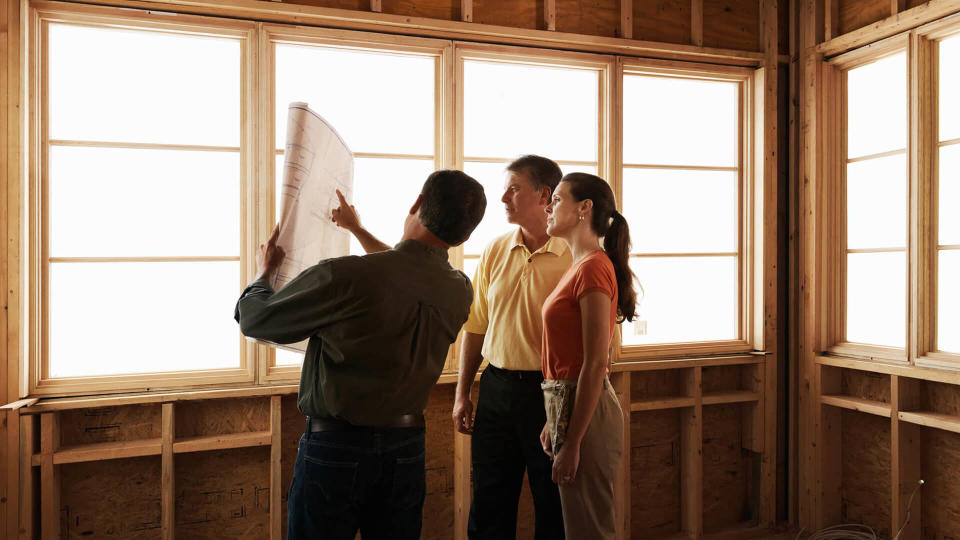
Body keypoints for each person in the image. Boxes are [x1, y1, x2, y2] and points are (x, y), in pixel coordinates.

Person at [234, 169, 486, 540]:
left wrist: (264, 273)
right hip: (408, 448)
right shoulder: (460, 290)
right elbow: (408, 271)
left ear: (416, 204)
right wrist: (357, 229)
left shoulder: (347, 275)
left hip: (336, 447)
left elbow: (255, 320)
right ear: (466, 235)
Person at [454, 155, 571, 540]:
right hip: (497, 389)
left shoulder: (575, 255)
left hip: (550, 393)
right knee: (489, 502)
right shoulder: (494, 250)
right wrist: (462, 395)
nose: (502, 196)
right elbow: (475, 328)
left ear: (544, 195)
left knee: (552, 503)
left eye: (514, 188)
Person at [539, 172, 638, 540]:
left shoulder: (594, 267)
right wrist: (556, 421)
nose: (549, 207)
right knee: (579, 525)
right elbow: (572, 356)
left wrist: (574, 439)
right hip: (570, 402)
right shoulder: (580, 265)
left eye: (558, 199)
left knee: (589, 529)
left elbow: (596, 363)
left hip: (588, 410)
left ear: (584, 208)